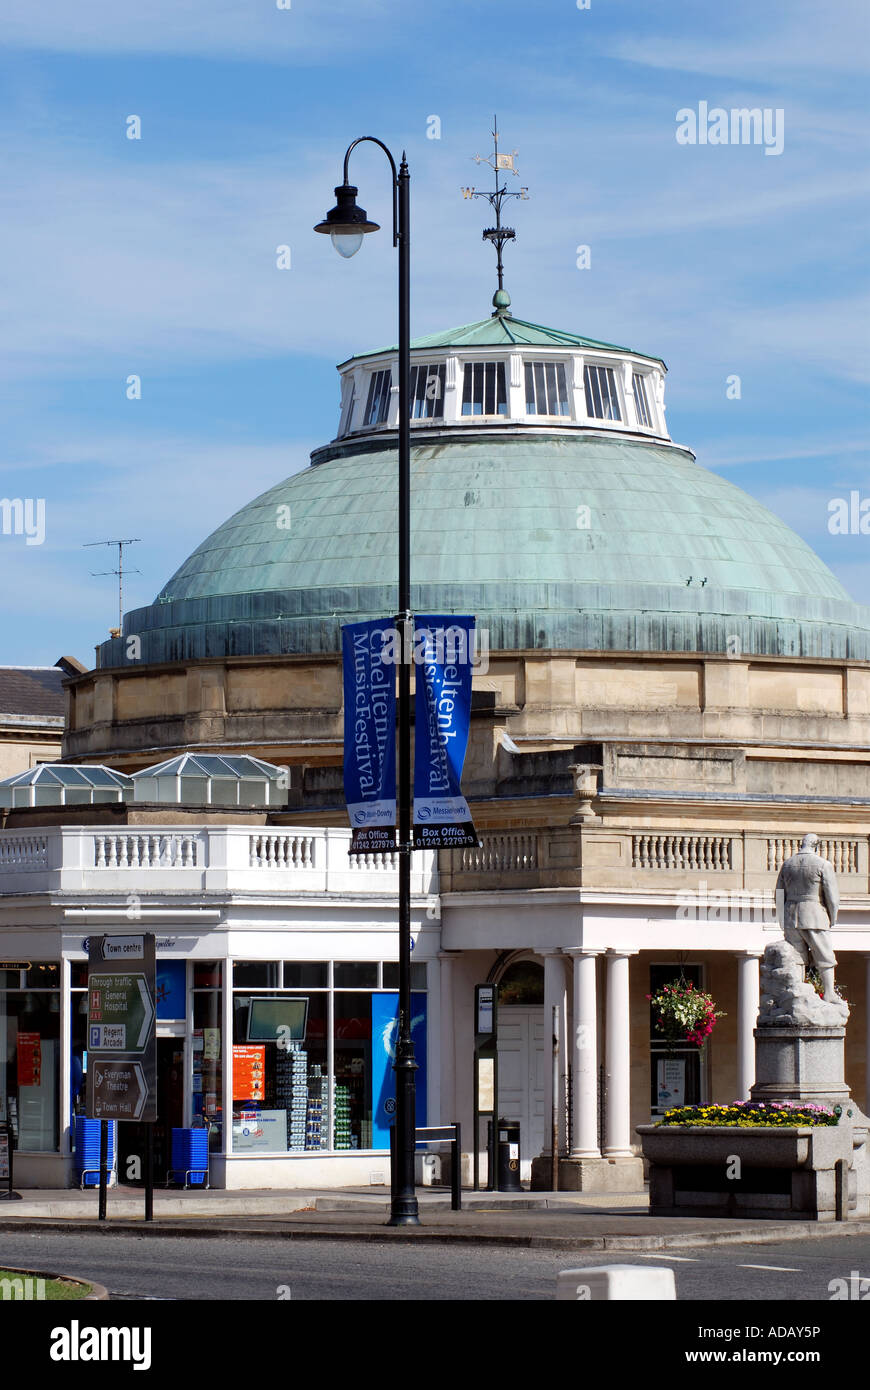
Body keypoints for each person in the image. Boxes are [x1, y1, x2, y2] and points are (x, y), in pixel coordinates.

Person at [775, 832, 839, 999]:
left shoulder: (787, 864)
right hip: (814, 915)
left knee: (796, 957)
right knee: (825, 956)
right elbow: (832, 896)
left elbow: (779, 894)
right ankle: (829, 993)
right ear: (816, 846)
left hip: (791, 915)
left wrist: (782, 917)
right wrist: (833, 917)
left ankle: (795, 993)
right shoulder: (823, 864)